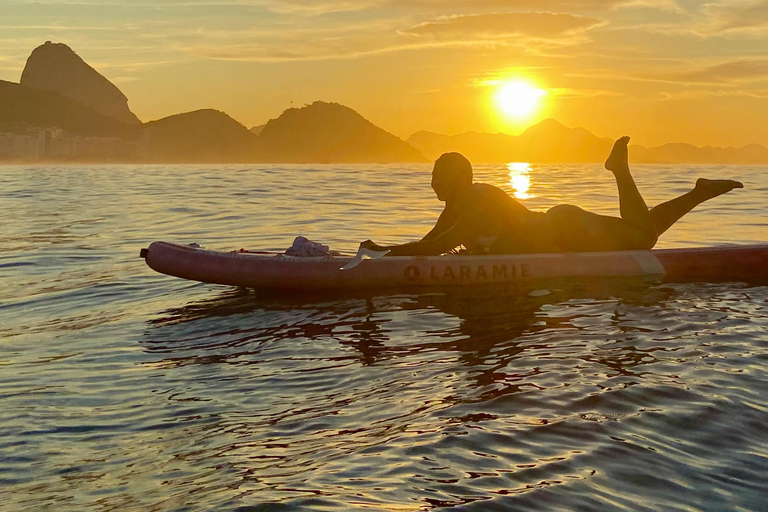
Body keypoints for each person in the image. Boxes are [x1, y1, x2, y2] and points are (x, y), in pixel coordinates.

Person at [361, 136, 743, 256]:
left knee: (641, 240)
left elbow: (434, 250)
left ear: (458, 180)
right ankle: (699, 193)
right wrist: (381, 252)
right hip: (561, 225)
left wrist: (380, 254)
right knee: (640, 233)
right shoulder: (458, 206)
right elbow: (430, 243)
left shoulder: (475, 204)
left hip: (566, 228)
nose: (431, 185)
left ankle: (621, 171)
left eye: (437, 177)